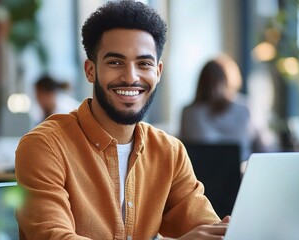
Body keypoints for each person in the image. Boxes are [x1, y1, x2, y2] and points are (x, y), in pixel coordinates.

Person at [15, 1, 230, 239]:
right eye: (115, 62)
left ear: (157, 72)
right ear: (90, 70)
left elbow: (203, 226)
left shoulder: (169, 152)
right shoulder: (44, 146)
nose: (131, 77)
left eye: (144, 64)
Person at [179, 54, 255, 161]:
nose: (215, 89)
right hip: (204, 173)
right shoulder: (191, 113)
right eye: (211, 83)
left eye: (218, 82)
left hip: (233, 172)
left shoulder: (245, 108)